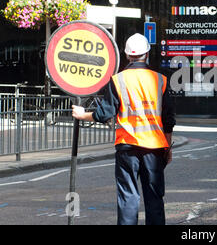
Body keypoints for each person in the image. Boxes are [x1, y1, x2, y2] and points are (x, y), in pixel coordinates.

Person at [72, 33, 176, 225]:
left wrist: (81, 114)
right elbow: (168, 120)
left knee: (128, 197)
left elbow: (103, 115)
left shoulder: (118, 80)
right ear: (147, 53)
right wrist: (167, 148)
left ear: (128, 55)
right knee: (154, 198)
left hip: (127, 148)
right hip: (154, 149)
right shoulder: (160, 80)